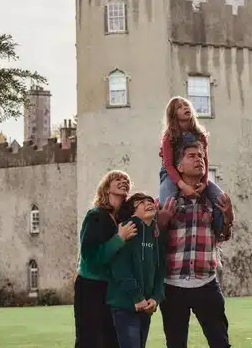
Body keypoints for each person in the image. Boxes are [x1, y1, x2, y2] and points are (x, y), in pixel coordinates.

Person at [157, 140, 235, 348]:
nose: (198, 159)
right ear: (179, 167)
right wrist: (162, 221)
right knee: (176, 344)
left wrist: (227, 217)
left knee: (220, 343)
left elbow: (223, 236)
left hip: (207, 284)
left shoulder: (212, 200)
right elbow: (153, 239)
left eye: (200, 156)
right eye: (191, 156)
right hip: (173, 286)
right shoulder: (166, 200)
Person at [75, 170, 138, 348]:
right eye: (117, 179)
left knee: (113, 341)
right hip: (90, 288)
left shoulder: (124, 219)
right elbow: (90, 257)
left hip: (114, 290)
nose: (123, 181)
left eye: (126, 180)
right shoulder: (95, 216)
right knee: (90, 341)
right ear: (106, 187)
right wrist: (119, 238)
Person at [107, 192, 166, 348]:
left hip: (145, 306)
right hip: (125, 305)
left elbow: (161, 271)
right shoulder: (127, 228)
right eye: (141, 202)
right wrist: (137, 297)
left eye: (150, 200)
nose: (148, 203)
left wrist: (156, 298)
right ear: (132, 211)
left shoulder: (157, 233)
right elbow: (120, 269)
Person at [158, 96, 224, 232]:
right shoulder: (169, 136)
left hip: (196, 174)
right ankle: (165, 238)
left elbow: (205, 161)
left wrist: (204, 183)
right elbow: (169, 164)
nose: (185, 108)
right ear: (173, 114)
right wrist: (182, 185)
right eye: (180, 107)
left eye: (186, 105)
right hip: (171, 174)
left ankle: (218, 233)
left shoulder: (200, 135)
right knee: (166, 204)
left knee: (220, 199)